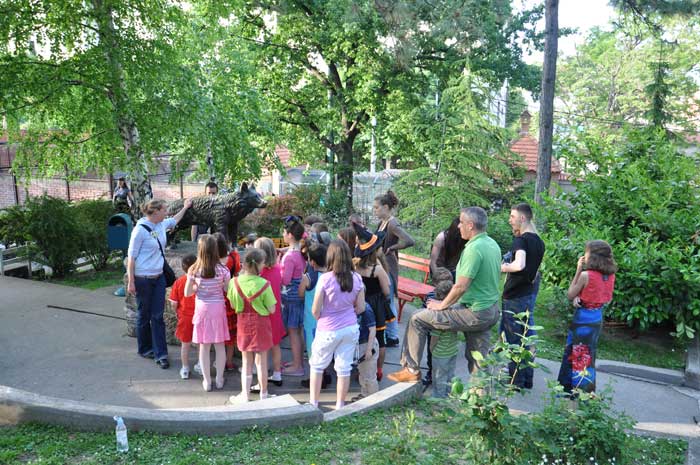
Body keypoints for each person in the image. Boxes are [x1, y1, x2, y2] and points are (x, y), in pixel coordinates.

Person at [388, 207, 501, 383]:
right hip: (490, 310)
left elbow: (460, 286)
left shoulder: (473, 248)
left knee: (418, 318)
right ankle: (480, 400)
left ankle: (411, 369)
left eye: (462, 223)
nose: (458, 227)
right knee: (479, 361)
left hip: (475, 312)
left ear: (470, 225)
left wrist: (441, 306)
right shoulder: (491, 244)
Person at [127, 198, 192, 369]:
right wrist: (131, 282)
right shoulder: (139, 231)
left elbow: (174, 220)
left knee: (158, 316)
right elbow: (131, 258)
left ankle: (161, 354)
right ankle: (144, 348)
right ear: (155, 212)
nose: (166, 212)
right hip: (143, 279)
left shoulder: (161, 224)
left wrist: (185, 207)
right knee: (143, 314)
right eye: (164, 210)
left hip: (159, 277)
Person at [309, 240, 365, 409]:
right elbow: (361, 307)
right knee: (343, 368)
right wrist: (347, 315)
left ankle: (313, 403)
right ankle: (340, 405)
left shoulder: (326, 279)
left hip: (328, 328)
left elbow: (315, 310)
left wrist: (322, 318)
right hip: (350, 328)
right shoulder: (357, 278)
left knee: (317, 366)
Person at [558, 240, 617, 394]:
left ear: (593, 257)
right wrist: (581, 296)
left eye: (586, 252)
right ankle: (585, 392)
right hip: (596, 318)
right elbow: (603, 296)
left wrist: (578, 270)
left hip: (582, 320)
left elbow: (570, 294)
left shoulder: (586, 275)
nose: (584, 255)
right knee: (588, 356)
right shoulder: (610, 276)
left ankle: (572, 393)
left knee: (575, 355)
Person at [500, 203, 545, 390]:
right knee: (525, 336)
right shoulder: (539, 242)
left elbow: (519, 265)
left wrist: (501, 267)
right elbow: (534, 273)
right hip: (527, 294)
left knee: (513, 338)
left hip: (514, 296)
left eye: (512, 216)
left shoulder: (521, 240)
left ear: (522, 218)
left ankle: (515, 381)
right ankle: (526, 380)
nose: (510, 220)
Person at [228, 248, 277, 403]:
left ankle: (245, 394)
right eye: (263, 263)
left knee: (246, 361)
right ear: (258, 265)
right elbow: (272, 309)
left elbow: (232, 304)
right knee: (261, 362)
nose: (264, 266)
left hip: (243, 323)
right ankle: (263, 394)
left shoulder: (233, 282)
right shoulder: (264, 284)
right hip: (261, 324)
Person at [184, 235, 231, 391]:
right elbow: (226, 289)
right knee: (219, 345)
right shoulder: (223, 269)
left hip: (202, 309)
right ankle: (219, 378)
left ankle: (207, 381)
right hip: (218, 308)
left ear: (200, 250)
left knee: (204, 346)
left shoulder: (194, 269)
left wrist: (198, 288)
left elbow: (187, 292)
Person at [373, 190, 415, 347]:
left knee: (389, 300)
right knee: (385, 299)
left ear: (385, 207)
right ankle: (388, 333)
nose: (374, 210)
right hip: (381, 266)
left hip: (389, 267)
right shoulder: (382, 223)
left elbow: (409, 240)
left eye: (376, 207)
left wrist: (393, 247)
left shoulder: (392, 223)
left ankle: (393, 336)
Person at [352, 222, 392, 382]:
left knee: (361, 337)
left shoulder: (354, 266)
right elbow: (387, 291)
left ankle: (360, 368)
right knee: (379, 339)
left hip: (359, 304)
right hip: (375, 306)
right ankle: (378, 370)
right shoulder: (377, 269)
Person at [253, 237, 286, 390]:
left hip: (263, 313)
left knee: (263, 349)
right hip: (276, 311)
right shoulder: (279, 269)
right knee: (276, 344)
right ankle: (277, 373)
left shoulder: (259, 274)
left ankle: (262, 377)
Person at [298, 242, 332, 389]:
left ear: (311, 261)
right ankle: (325, 373)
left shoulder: (308, 278)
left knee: (313, 350)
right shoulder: (331, 275)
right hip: (328, 319)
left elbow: (300, 294)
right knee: (326, 348)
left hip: (311, 320)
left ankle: (318, 379)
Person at [280, 216, 307, 376]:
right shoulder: (300, 252)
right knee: (296, 331)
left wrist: (278, 266)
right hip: (298, 297)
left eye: (284, 232)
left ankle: (298, 367)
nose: (283, 234)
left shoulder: (290, 257)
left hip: (291, 298)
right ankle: (298, 361)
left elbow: (285, 280)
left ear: (290, 235)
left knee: (293, 331)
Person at [213, 232, 241, 373]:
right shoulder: (233, 258)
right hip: (230, 298)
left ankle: (218, 361)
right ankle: (229, 362)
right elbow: (237, 274)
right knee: (230, 334)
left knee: (217, 334)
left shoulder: (211, 261)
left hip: (215, 299)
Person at [168, 254, 197, 379]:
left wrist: (176, 311)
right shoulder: (199, 280)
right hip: (199, 315)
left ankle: (185, 368)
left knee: (185, 344)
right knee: (201, 342)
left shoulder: (178, 282)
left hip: (184, 316)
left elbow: (173, 302)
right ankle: (201, 364)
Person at [429, 280, 459, 398]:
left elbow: (435, 337)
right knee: (450, 375)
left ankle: (438, 398)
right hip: (453, 350)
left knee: (438, 376)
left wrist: (432, 349)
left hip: (440, 353)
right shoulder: (456, 312)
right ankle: (448, 395)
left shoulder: (439, 315)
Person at [353, 301, 378, 401]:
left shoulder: (366, 309)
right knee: (363, 374)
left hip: (367, 344)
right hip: (359, 344)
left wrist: (368, 350)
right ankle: (364, 394)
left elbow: (372, 330)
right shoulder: (352, 306)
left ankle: (373, 399)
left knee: (369, 376)